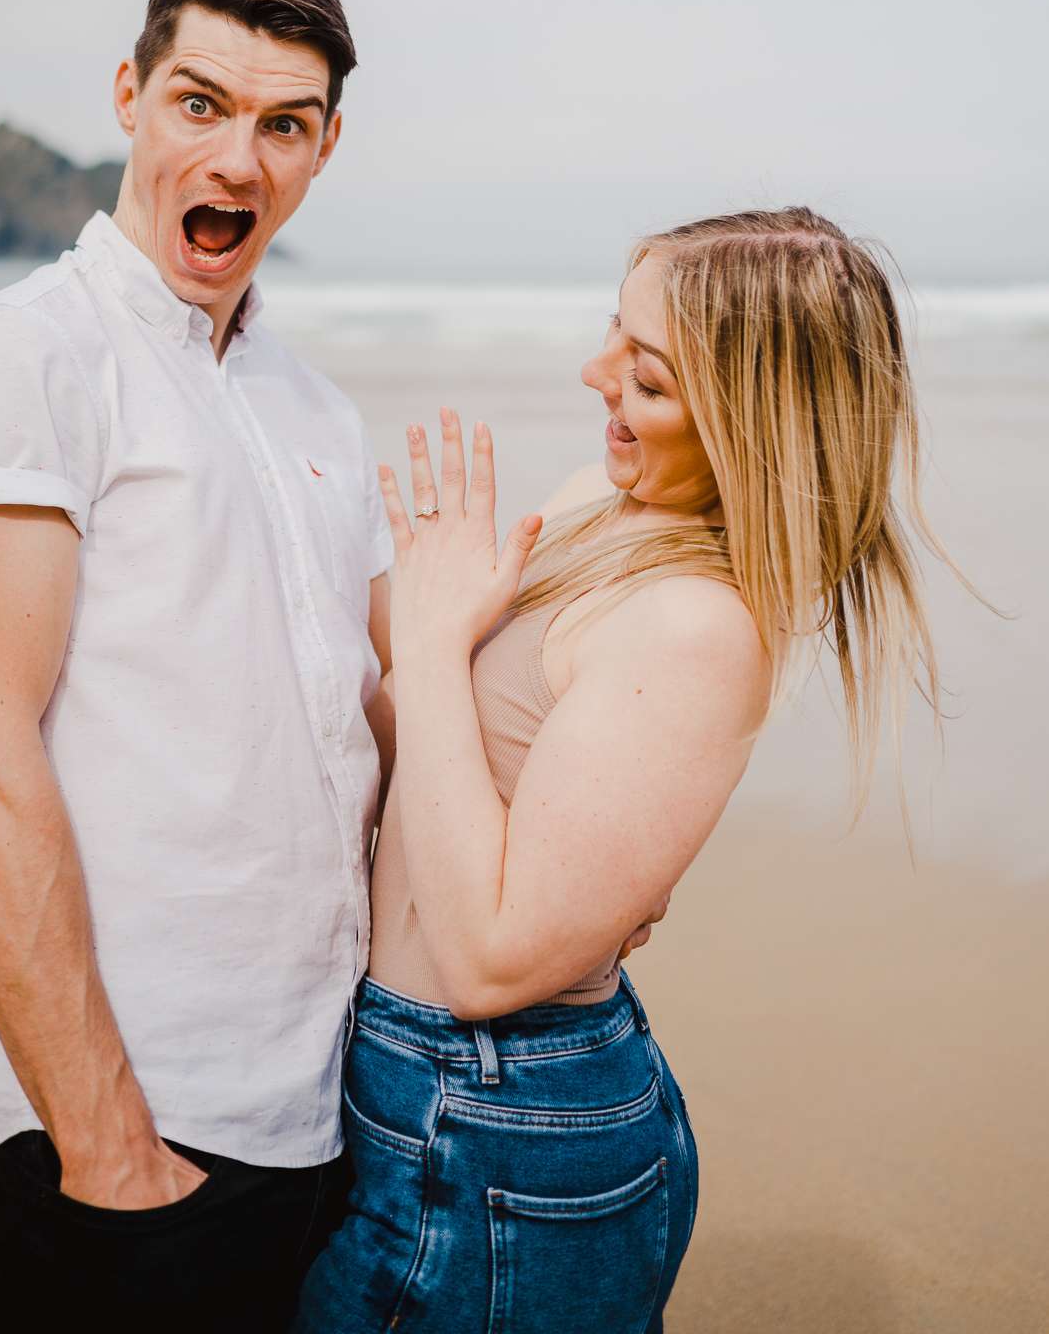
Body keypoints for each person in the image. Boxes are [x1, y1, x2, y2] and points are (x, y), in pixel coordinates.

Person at [295, 207, 949, 1333]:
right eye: (614, 332)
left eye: (646, 376)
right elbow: (433, 744)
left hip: (493, 1116)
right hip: (429, 1090)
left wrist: (441, 645)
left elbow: (493, 960)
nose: (595, 373)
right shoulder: (608, 505)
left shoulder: (696, 623)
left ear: (750, 423)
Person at [0, 0, 401, 1331]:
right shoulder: (26, 361)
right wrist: (107, 1145)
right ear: (128, 97)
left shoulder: (316, 412)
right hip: (118, 1137)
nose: (236, 155)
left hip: (324, 1116)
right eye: (197, 103)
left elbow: (379, 717)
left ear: (321, 148)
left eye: (282, 124)